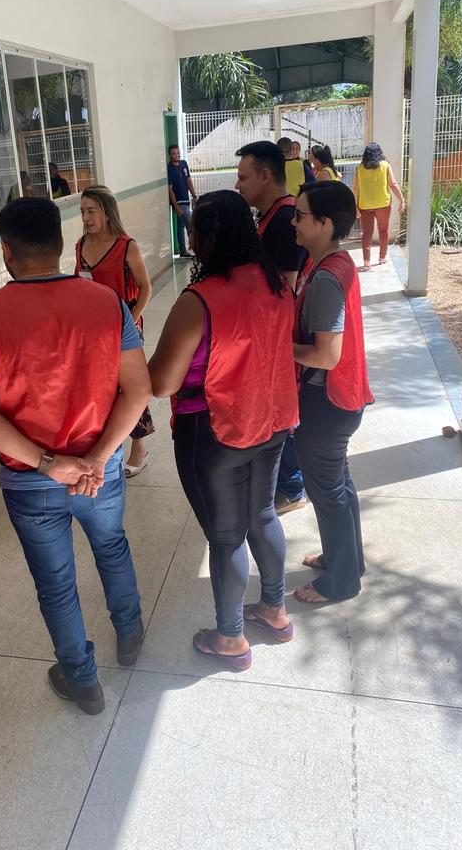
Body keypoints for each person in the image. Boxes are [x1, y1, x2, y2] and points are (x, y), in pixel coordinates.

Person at [0, 197, 151, 715]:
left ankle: (82, 680)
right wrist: (99, 457)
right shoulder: (107, 303)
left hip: (30, 481)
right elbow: (139, 389)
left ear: (6, 250)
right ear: (63, 243)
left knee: (55, 582)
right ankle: (130, 635)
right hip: (99, 472)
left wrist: (50, 464)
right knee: (112, 546)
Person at [148, 191, 298, 671]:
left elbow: (161, 382)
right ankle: (274, 609)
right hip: (272, 423)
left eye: (195, 230)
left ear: (208, 238)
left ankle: (231, 637)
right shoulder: (278, 286)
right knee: (264, 515)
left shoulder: (199, 299)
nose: (190, 238)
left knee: (227, 537)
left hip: (215, 433)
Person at [291, 181, 374, 603]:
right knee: (338, 484)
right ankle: (347, 559)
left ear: (324, 223)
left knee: (328, 492)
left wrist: (278, 348)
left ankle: (341, 582)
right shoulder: (332, 261)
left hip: (326, 404)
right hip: (340, 399)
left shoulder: (325, 278)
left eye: (300, 215)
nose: (293, 222)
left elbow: (326, 355)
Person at [235, 140, 308, 516]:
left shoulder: (284, 220)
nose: (238, 185)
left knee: (283, 410)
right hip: (268, 338)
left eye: (243, 177)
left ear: (265, 175)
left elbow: (284, 293)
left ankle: (292, 486)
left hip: (281, 338)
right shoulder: (268, 216)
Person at [75, 186, 154, 476]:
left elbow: (145, 287)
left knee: (129, 387)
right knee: (103, 387)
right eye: (82, 211)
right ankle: (110, 443)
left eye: (91, 211)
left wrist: (131, 320)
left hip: (125, 329)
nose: (86, 217)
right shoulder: (81, 244)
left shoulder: (125, 246)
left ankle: (140, 448)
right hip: (94, 330)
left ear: (107, 213)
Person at [353, 142, 405, 271]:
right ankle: (382, 258)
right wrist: (402, 200)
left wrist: (355, 206)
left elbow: (356, 188)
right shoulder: (385, 165)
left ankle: (366, 263)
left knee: (367, 233)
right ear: (379, 153)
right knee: (383, 230)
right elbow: (393, 184)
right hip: (383, 204)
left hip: (365, 205)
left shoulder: (359, 168)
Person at [167, 145, 198, 258]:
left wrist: (194, 196)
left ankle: (182, 251)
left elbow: (188, 181)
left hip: (186, 200)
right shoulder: (169, 169)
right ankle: (198, 250)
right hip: (179, 203)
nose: (177, 155)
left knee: (180, 226)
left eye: (178, 152)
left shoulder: (184, 164)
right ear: (170, 155)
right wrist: (176, 207)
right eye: (174, 153)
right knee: (191, 226)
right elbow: (170, 190)